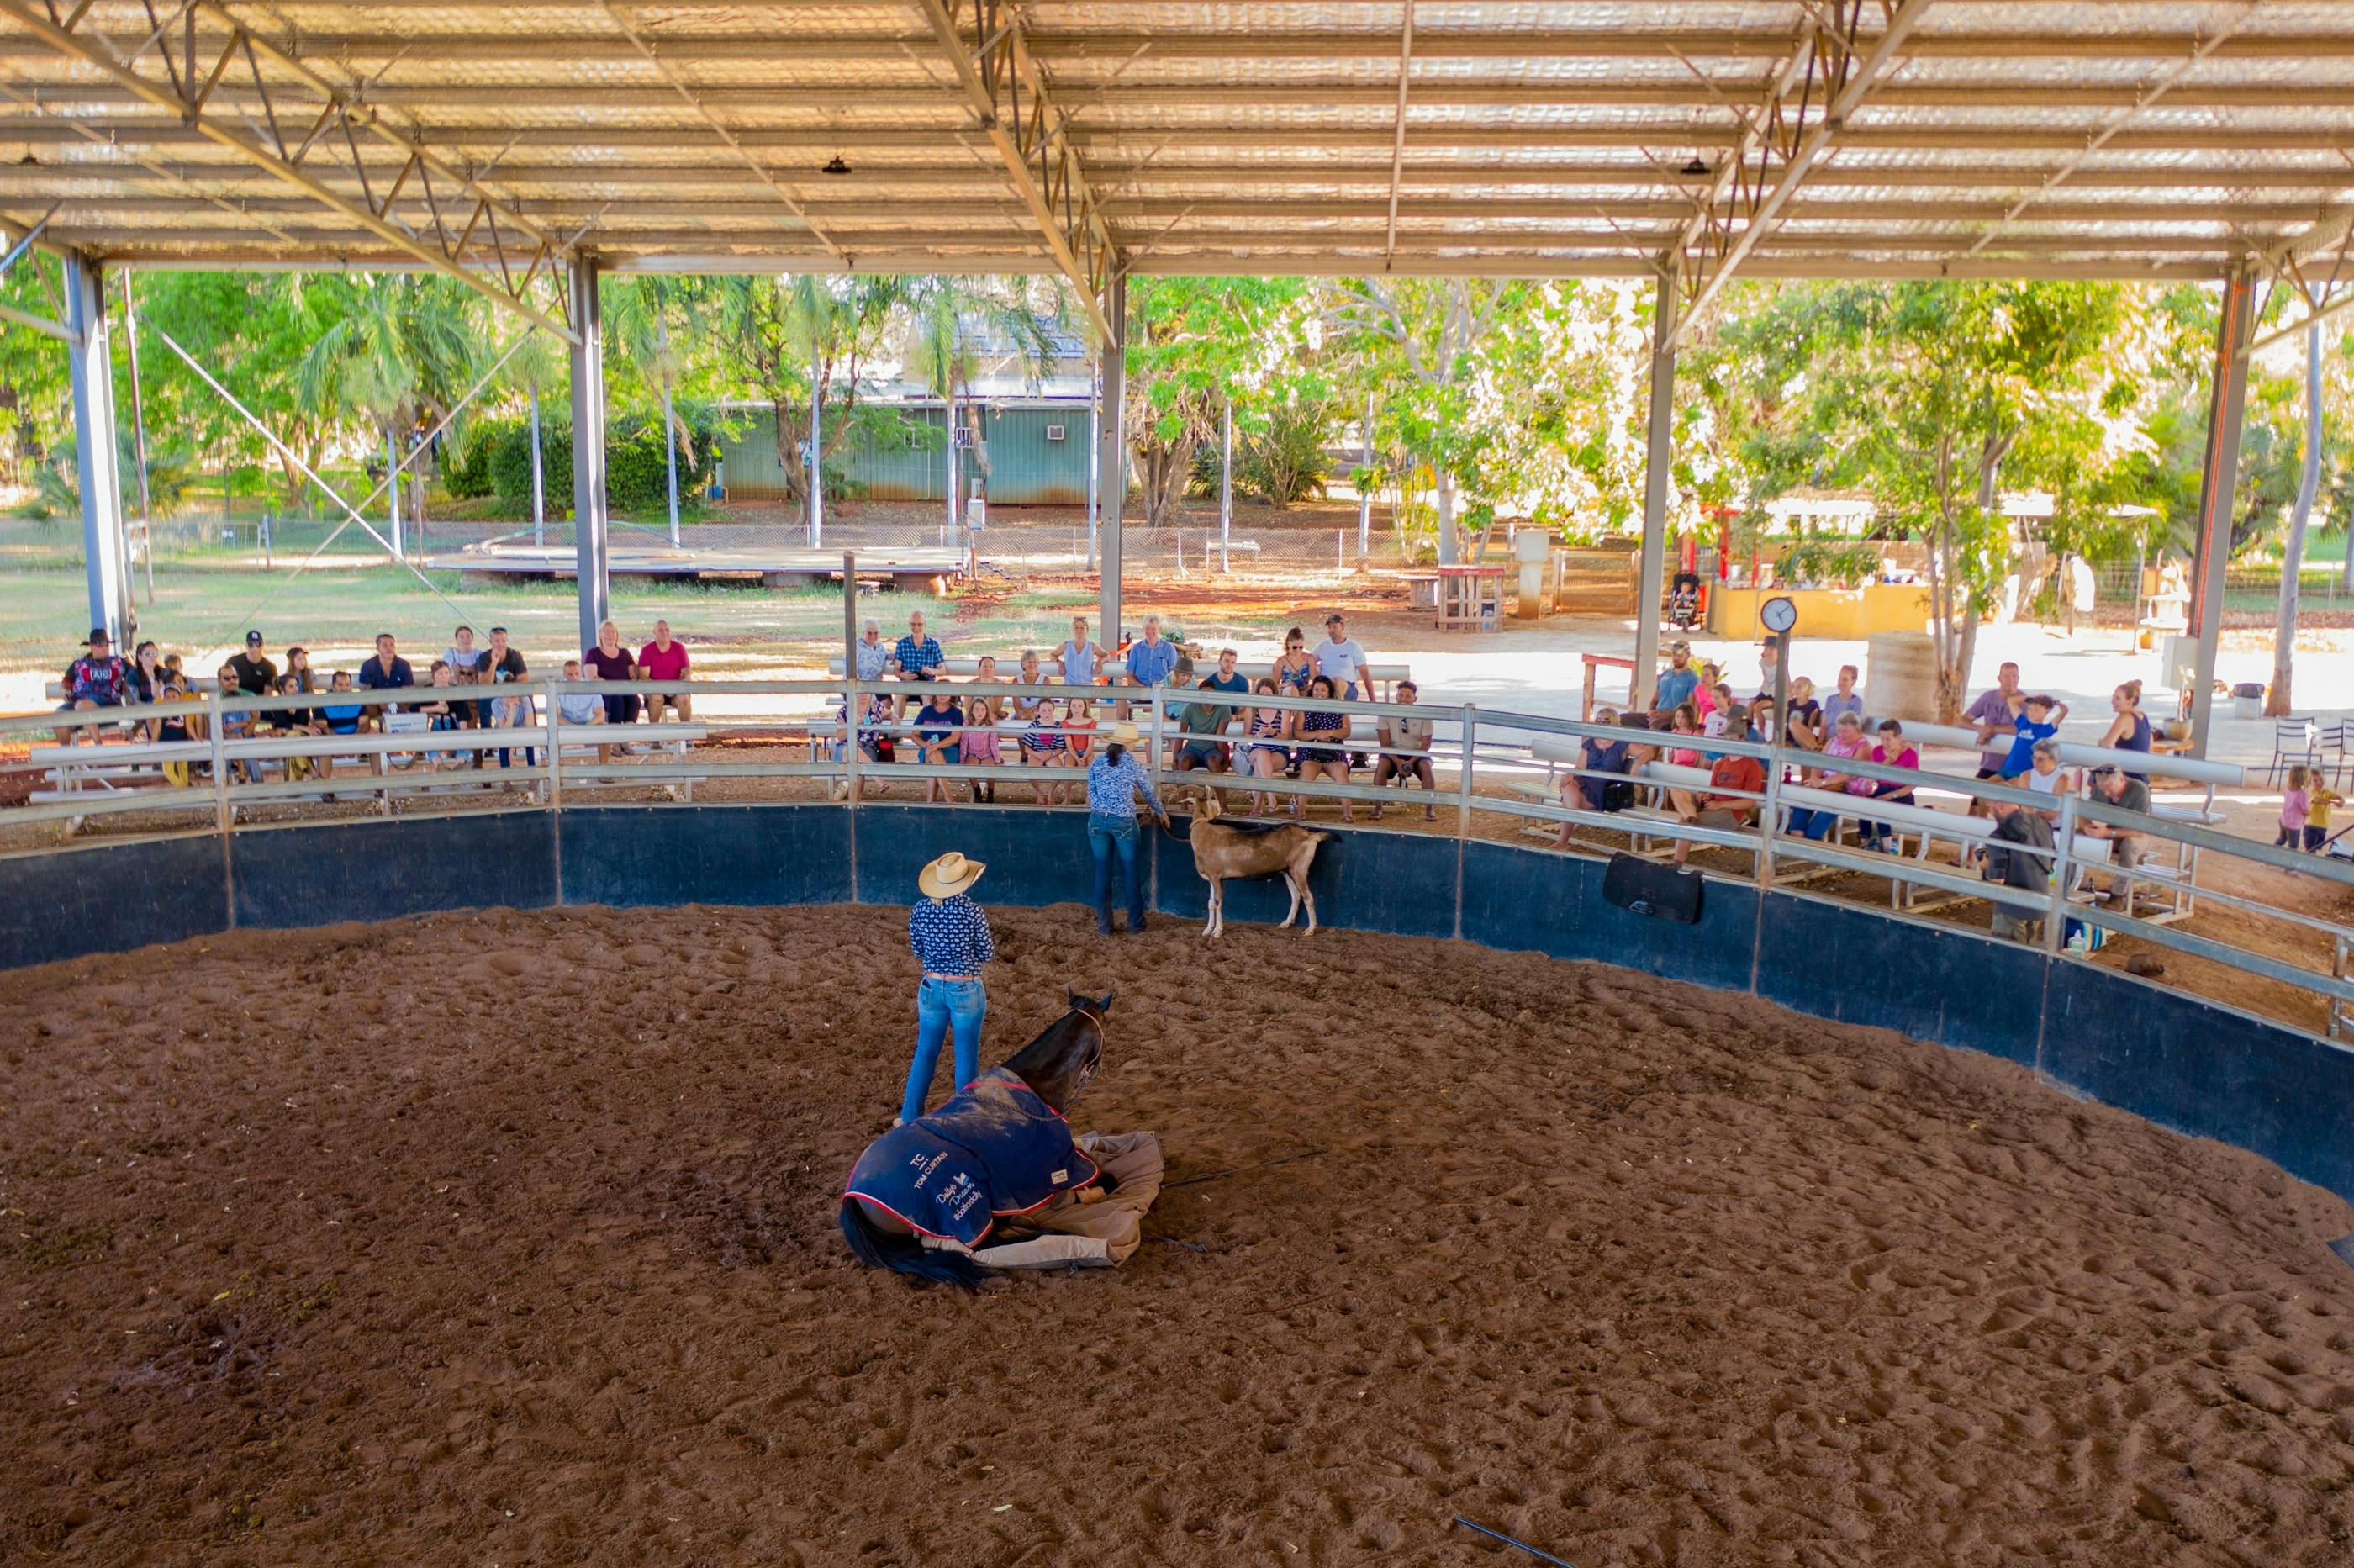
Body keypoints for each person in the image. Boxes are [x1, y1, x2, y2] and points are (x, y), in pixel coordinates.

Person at [902, 852, 995, 1126]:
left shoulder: (919, 910)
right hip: (964, 988)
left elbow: (917, 950)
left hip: (930, 987)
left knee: (925, 1051)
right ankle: (964, 1118)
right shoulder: (972, 912)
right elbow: (987, 953)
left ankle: (909, 1116)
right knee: (966, 1054)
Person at [1085, 721, 1167, 936]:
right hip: (1123, 822)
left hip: (1097, 821)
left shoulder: (1097, 763)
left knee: (1102, 873)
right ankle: (1135, 923)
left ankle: (1104, 925)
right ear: (1129, 744)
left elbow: (1091, 796)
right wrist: (1161, 811)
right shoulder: (1133, 764)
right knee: (1131, 872)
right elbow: (1148, 793)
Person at [1666, 747, 1766, 867]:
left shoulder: (1751, 765)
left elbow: (1750, 802)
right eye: (1726, 738)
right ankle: (1691, 817)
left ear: (1742, 739)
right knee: (1676, 790)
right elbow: (1713, 789)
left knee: (1684, 824)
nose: (1727, 741)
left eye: (1731, 738)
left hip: (1730, 814)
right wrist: (1705, 795)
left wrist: (1721, 804)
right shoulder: (1721, 763)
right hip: (1713, 806)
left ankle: (1677, 865)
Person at [1787, 710, 1871, 841]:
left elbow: (1851, 774)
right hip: (1825, 784)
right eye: (1839, 730)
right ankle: (1796, 833)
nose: (1842, 734)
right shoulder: (1832, 741)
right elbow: (1819, 762)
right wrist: (1815, 778)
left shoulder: (1863, 747)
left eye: (1846, 731)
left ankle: (1811, 837)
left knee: (1829, 806)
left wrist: (1824, 782)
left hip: (1847, 790)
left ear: (1857, 730)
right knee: (1804, 796)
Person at [1556, 707, 1634, 847]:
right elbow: (1580, 767)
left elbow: (1646, 752)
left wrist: (1637, 764)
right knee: (1568, 783)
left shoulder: (1622, 743)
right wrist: (1570, 774)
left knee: (1568, 801)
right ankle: (1575, 817)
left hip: (1604, 786)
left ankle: (1563, 840)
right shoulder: (1591, 742)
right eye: (1598, 720)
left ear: (1614, 722)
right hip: (1586, 780)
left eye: (1606, 721)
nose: (1602, 723)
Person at [1983, 796, 2056, 942]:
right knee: (2027, 958)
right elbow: (2051, 860)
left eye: (1991, 808)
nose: (1991, 813)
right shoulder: (2042, 824)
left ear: (2000, 804)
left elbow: (1997, 880)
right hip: (2039, 904)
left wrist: (1984, 864)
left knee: (2007, 959)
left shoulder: (1999, 835)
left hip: (2012, 908)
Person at [2079, 766, 2152, 905]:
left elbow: (2141, 830)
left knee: (2130, 845)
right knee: (2075, 837)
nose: (2106, 794)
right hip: (2109, 832)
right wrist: (2086, 827)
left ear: (2122, 780)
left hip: (2136, 835)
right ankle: (2082, 883)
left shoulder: (2139, 790)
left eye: (2110, 789)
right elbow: (2082, 814)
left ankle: (2118, 895)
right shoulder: (2098, 788)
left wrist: (2108, 832)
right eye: (2103, 789)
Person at [55, 626, 133, 745]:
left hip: (108, 704)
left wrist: (127, 685)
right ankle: (68, 759)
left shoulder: (118, 662)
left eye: (106, 644)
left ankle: (98, 745)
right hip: (77, 704)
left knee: (83, 705)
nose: (104, 648)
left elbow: (136, 677)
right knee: (59, 716)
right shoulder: (79, 664)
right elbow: (66, 683)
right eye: (99, 644)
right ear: (91, 646)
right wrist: (65, 691)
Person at [1372, 679, 1436, 821]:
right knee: (1382, 765)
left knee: (1426, 767)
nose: (1404, 699)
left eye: (1408, 696)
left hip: (1416, 751)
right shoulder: (1385, 714)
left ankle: (1430, 808)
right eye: (1401, 695)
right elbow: (1385, 743)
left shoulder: (1424, 715)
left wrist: (1411, 761)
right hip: (1392, 751)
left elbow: (1426, 745)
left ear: (1415, 699)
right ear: (1396, 696)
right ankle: (1378, 807)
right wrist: (1397, 761)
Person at [1294, 674, 1354, 821]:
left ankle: (1347, 813)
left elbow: (1347, 731)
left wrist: (1330, 733)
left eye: (1323, 690)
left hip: (1333, 751)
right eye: (1316, 690)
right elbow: (1297, 732)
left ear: (1329, 692)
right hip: (1310, 750)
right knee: (1307, 770)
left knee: (1341, 771)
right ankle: (1300, 813)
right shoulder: (1304, 709)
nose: (1319, 693)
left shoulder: (1339, 708)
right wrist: (1316, 735)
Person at [1854, 719, 1919, 852]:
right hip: (1882, 790)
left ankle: (1887, 848)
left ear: (1898, 738)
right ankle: (1865, 843)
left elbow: (1912, 786)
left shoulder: (1910, 754)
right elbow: (1870, 779)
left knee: (1882, 807)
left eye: (1888, 739)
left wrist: (1891, 795)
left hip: (1901, 793)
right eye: (1882, 739)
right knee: (1864, 806)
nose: (1884, 743)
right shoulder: (1877, 751)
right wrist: (1888, 761)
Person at [1237, 677, 1291, 816]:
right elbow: (1246, 735)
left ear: (1274, 694)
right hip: (1257, 748)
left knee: (1261, 764)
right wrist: (1256, 737)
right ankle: (1271, 796)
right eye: (1262, 693)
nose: (1265, 696)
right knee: (1261, 754)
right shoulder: (1252, 709)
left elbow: (1285, 737)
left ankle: (1257, 807)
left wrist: (1272, 733)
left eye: (1268, 693)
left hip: (1278, 750)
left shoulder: (1282, 709)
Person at [484, 626, 535, 769]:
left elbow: (530, 727)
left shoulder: (524, 700)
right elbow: (484, 684)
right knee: (503, 742)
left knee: (530, 741)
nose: (500, 644)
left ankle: (532, 771)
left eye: (503, 641)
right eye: (497, 641)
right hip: (506, 726)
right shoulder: (497, 703)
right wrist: (494, 663)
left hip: (522, 727)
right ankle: (506, 774)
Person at [1963, 661, 2024, 780]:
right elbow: (1962, 720)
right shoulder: (1988, 697)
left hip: (2015, 767)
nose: (2011, 680)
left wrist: (1992, 730)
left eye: (2014, 676)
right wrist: (1980, 729)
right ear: (1999, 678)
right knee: (1978, 796)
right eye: (2007, 676)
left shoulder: (2024, 700)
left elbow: (2024, 728)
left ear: (2019, 678)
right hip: (1990, 764)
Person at [1985, 691, 2066, 781]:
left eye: (2036, 709)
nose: (2032, 712)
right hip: (2007, 769)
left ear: (2047, 711)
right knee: (1986, 786)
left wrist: (2055, 703)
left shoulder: (2046, 729)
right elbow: (2011, 701)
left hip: (2024, 773)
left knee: (2006, 788)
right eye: (2030, 709)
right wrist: (2031, 697)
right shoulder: (2022, 723)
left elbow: (2064, 711)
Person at [1170, 659, 1232, 776]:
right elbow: (1181, 734)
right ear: (1199, 695)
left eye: (1210, 694)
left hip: (1212, 749)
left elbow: (1220, 736)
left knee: (1214, 762)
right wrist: (1175, 758)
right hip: (1192, 748)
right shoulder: (1190, 708)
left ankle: (1220, 795)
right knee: (1182, 763)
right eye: (1204, 694)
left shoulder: (1223, 709)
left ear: (1215, 694)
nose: (1207, 698)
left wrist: (1224, 756)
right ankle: (1183, 795)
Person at [583, 620, 639, 733]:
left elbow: (633, 676)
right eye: (607, 632)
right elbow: (592, 677)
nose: (610, 634)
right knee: (617, 701)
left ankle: (627, 737)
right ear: (600, 634)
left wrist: (626, 687)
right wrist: (612, 687)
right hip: (604, 692)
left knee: (634, 701)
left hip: (625, 690)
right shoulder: (593, 653)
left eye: (613, 632)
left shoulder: (625, 653)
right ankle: (615, 740)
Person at [913, 685, 964, 804]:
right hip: (926, 749)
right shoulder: (926, 711)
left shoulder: (956, 713)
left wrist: (937, 745)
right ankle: (949, 798)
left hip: (949, 750)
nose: (942, 695)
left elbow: (955, 737)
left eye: (946, 692)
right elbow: (914, 735)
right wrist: (926, 745)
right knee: (933, 755)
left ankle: (930, 802)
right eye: (940, 692)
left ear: (951, 695)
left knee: (934, 758)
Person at [1021, 696, 1073, 805]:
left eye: (1049, 710)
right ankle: (1039, 793)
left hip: (1052, 753)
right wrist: (1036, 754)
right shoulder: (1034, 725)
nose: (1046, 713)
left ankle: (1050, 792)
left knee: (1059, 771)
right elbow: (1027, 748)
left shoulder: (1058, 726)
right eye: (1043, 710)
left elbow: (1061, 747)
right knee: (1031, 772)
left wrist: (1052, 753)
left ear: (1053, 710)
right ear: (1038, 711)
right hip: (1037, 753)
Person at [638, 619, 693, 721]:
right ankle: (654, 735)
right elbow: (644, 676)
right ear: (654, 632)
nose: (665, 633)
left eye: (667, 630)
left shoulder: (679, 648)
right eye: (661, 630)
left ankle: (687, 733)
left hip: (676, 690)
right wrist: (660, 688)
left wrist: (681, 684)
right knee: (656, 698)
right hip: (655, 690)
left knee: (684, 698)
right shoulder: (647, 651)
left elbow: (687, 671)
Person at [2097, 680, 2152, 781]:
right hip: (2142, 778)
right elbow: (2150, 745)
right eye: (2113, 697)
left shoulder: (2124, 718)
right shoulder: (2143, 717)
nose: (2113, 701)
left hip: (2128, 780)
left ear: (2130, 701)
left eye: (2118, 698)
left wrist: (2100, 742)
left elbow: (2106, 745)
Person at [442, 624, 490, 731]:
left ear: (472, 638)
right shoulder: (450, 654)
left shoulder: (479, 655)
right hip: (455, 698)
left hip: (474, 700)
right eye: (462, 636)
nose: (465, 639)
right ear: (457, 639)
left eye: (468, 636)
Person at [1312, 613, 1369, 700]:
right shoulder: (1322, 646)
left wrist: (1373, 700)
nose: (1331, 630)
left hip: (1348, 687)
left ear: (1342, 626)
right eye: (1329, 627)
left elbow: (1365, 674)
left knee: (1336, 682)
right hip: (1326, 687)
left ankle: (1341, 712)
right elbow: (1308, 660)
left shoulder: (1354, 647)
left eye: (1334, 627)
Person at [959, 695, 1003, 803]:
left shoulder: (991, 724)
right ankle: (977, 790)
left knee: (991, 769)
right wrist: (962, 758)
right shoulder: (967, 724)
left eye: (983, 709)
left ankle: (991, 792)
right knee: (970, 767)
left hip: (986, 753)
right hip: (972, 753)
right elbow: (964, 742)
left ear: (986, 711)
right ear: (972, 711)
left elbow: (993, 742)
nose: (980, 712)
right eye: (977, 709)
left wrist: (997, 759)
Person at [2021, 739, 2073, 825]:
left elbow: (2052, 814)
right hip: (2031, 823)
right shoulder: (2026, 776)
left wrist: (2029, 816)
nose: (2036, 762)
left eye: (2041, 759)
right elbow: (2024, 804)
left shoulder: (2063, 779)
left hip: (2054, 827)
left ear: (2054, 761)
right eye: (2034, 758)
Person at [1124, 615, 1180, 692]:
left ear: (1159, 629)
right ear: (1143, 628)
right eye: (1147, 628)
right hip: (1140, 691)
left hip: (1162, 691)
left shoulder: (1169, 649)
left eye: (1153, 628)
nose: (1150, 631)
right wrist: (1143, 689)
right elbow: (1130, 676)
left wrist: (1162, 689)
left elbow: (1174, 675)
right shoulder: (1136, 649)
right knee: (1120, 699)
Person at [228, 629, 277, 698]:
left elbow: (267, 696)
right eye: (251, 645)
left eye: (258, 645)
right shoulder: (233, 662)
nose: (255, 649)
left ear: (263, 645)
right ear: (246, 645)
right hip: (236, 702)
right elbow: (226, 686)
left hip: (259, 704)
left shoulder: (270, 667)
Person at [1654, 640, 1699, 714]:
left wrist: (1664, 715)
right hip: (1657, 713)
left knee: (1655, 724)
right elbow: (1654, 699)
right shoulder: (1665, 674)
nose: (1675, 658)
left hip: (1675, 717)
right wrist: (1650, 712)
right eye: (1674, 654)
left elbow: (1690, 707)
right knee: (1629, 718)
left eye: (1679, 655)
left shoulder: (1692, 678)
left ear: (1688, 655)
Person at [1057, 615, 1101, 689]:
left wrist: (1100, 661)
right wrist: (1059, 662)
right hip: (1069, 686)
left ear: (1087, 630)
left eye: (1082, 628)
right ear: (1073, 630)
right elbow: (1052, 655)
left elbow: (1106, 655)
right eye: (1076, 628)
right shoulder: (1066, 645)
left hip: (1087, 686)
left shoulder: (1092, 646)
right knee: (1075, 700)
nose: (1079, 630)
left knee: (1079, 700)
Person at [1273, 625, 1316, 696]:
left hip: (1303, 693)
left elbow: (1315, 681)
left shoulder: (1309, 659)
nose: (1298, 650)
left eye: (1301, 647)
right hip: (1287, 693)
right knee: (1292, 690)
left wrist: (1309, 687)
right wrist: (1287, 685)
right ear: (1288, 644)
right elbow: (1274, 685)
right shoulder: (1281, 661)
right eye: (1295, 647)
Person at [2304, 777, 2343, 854]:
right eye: (2315, 780)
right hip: (2311, 825)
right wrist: (2334, 802)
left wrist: (2342, 801)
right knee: (2310, 849)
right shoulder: (2310, 792)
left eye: (2321, 779)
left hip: (2323, 825)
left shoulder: (2327, 792)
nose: (2319, 782)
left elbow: (2339, 798)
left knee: (2316, 847)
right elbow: (2318, 800)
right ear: (2310, 782)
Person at [1784, 675, 1825, 749]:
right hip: (1788, 737)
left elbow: (1810, 725)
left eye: (1799, 687)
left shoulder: (1812, 704)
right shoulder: (1791, 703)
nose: (1795, 689)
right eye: (1794, 686)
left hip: (1801, 738)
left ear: (1807, 689)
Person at [1821, 664, 1865, 732]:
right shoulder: (1830, 700)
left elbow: (1855, 728)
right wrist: (1820, 742)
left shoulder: (1856, 702)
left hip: (1844, 741)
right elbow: (1823, 726)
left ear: (1853, 681)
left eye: (1845, 680)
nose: (1840, 682)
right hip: (1827, 741)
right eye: (1839, 679)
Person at [2280, 764, 2313, 849]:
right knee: (2293, 846)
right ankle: (2290, 861)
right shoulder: (2302, 794)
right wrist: (2311, 808)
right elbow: (2305, 811)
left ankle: (2271, 852)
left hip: (2283, 819)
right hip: (2294, 824)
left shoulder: (2287, 789)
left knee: (2282, 839)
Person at [1665, 703, 1703, 769]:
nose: (1679, 719)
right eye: (1677, 716)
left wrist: (1696, 766)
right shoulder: (1674, 732)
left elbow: (1698, 754)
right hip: (1676, 765)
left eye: (1683, 717)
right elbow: (1673, 751)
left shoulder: (1695, 734)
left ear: (1690, 718)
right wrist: (1669, 763)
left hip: (1690, 766)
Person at [852, 619, 891, 683]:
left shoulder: (880, 647)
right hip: (859, 685)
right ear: (863, 632)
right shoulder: (855, 647)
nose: (873, 636)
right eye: (869, 633)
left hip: (876, 685)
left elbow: (888, 655)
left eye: (876, 633)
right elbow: (850, 671)